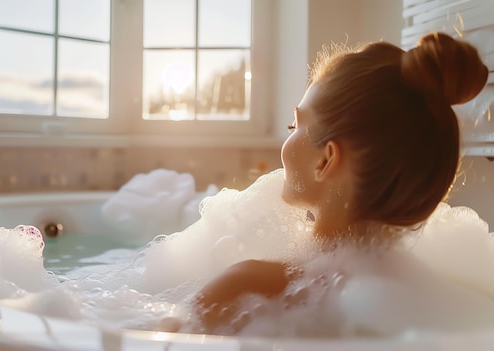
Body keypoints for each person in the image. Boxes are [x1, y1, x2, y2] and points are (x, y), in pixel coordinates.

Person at [192, 32, 490, 334]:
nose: (289, 136)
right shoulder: (451, 298)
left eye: (295, 125)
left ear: (325, 160)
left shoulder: (247, 286)